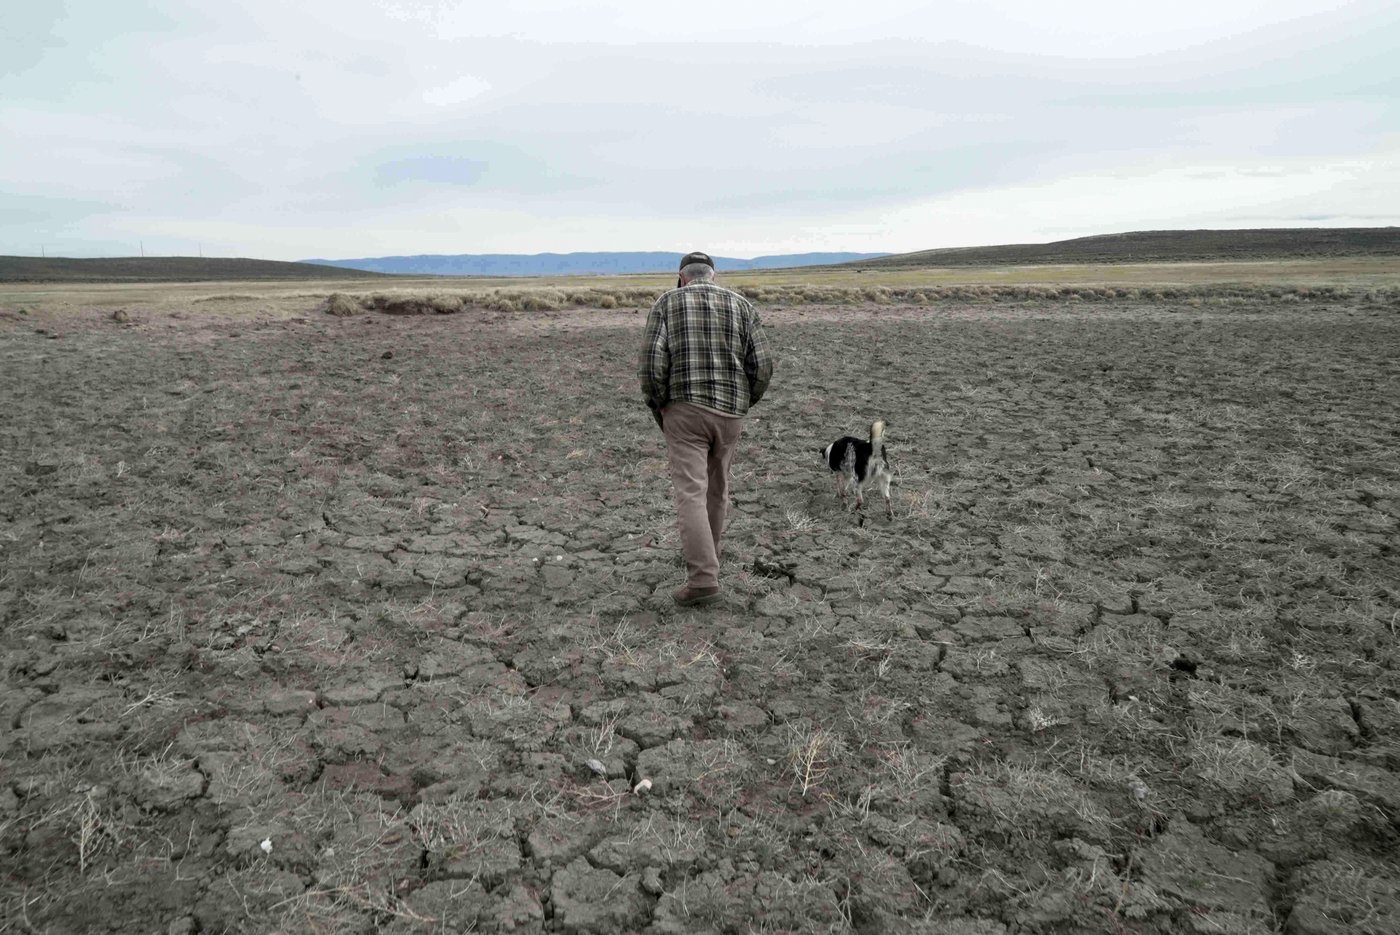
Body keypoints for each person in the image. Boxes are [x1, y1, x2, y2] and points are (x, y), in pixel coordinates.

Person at [639, 251, 775, 607]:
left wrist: (661, 406)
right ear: (713, 275)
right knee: (718, 490)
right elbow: (762, 365)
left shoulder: (666, 303)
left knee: (691, 493)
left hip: (684, 410)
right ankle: (708, 558)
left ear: (682, 277)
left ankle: (703, 579)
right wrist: (743, 404)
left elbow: (652, 363)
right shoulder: (742, 305)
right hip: (730, 413)